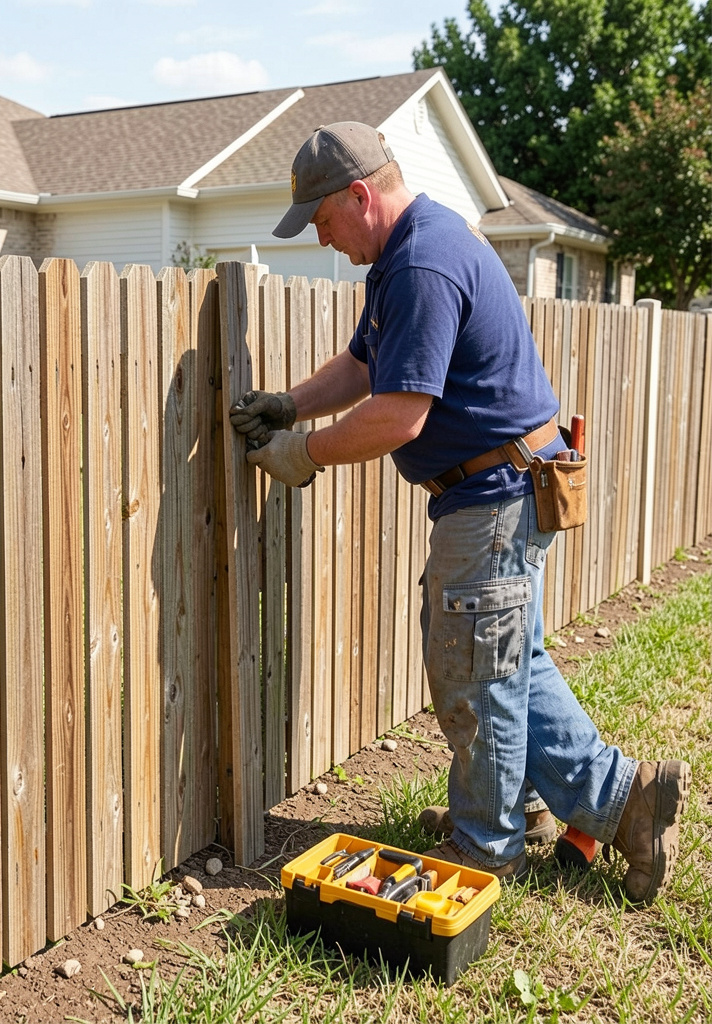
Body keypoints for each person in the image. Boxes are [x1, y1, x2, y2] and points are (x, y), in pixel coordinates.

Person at [229, 121, 689, 903]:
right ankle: (611, 802)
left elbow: (399, 415)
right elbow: (365, 364)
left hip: (495, 496)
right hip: (504, 489)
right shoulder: (410, 252)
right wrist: (290, 404)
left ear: (360, 195)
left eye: (324, 221)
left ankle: (491, 845)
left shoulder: (424, 263)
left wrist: (301, 456)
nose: (324, 238)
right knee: (504, 661)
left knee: (476, 673)